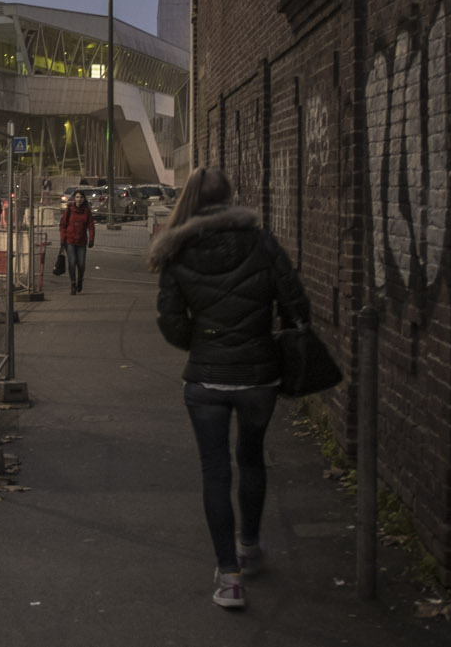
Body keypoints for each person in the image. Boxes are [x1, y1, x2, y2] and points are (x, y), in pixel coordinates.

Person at [147, 167, 309, 610]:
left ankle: (229, 577)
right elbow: (295, 301)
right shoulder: (261, 240)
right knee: (252, 459)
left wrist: (200, 345)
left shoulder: (178, 248)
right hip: (258, 376)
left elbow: (170, 320)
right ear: (230, 197)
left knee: (215, 471)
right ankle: (250, 546)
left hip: (206, 379)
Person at [56, 191, 95, 294]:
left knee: (81, 264)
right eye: (77, 197)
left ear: (84, 199)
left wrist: (91, 239)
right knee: (72, 262)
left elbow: (91, 227)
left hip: (81, 241)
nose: (79, 199)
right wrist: (62, 240)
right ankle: (73, 284)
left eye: (81, 197)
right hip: (70, 241)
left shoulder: (87, 212)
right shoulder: (69, 210)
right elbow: (63, 225)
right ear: (74, 199)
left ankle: (80, 280)